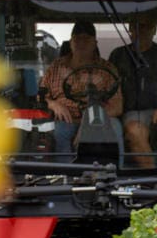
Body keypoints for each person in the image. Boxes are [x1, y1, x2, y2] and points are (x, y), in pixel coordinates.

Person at [108, 16, 157, 167]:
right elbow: (109, 86)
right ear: (130, 29)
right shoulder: (118, 56)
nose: (142, 31)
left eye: (147, 27)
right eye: (138, 27)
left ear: (154, 30)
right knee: (134, 131)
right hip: (133, 114)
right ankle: (153, 176)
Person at [39, 20, 123, 160]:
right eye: (77, 39)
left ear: (95, 43)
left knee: (115, 128)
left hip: (99, 119)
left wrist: (87, 124)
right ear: (70, 42)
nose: (81, 43)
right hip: (66, 120)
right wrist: (53, 104)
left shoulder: (108, 69)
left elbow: (118, 106)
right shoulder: (56, 67)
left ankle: (117, 176)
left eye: (86, 39)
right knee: (59, 131)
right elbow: (40, 97)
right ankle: (65, 176)